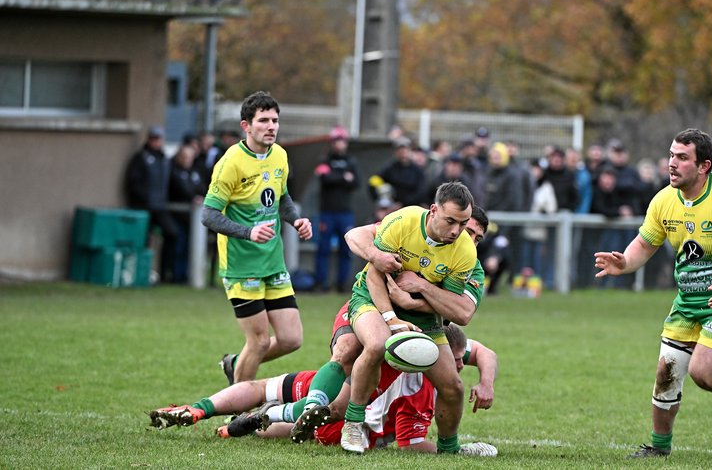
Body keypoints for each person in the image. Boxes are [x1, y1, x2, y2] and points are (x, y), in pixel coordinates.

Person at [594, 128, 712, 457]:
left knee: (704, 372)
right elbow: (645, 244)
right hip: (688, 301)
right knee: (666, 373)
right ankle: (659, 448)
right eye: (671, 155)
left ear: (703, 166)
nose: (672, 163)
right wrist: (624, 262)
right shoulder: (664, 200)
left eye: (682, 158)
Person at [147, 323, 497, 456]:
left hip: (336, 369)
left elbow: (482, 352)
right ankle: (257, 420)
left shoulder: (426, 338)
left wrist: (486, 381)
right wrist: (457, 451)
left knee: (265, 386)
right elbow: (412, 445)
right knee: (314, 413)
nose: (459, 368)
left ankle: (201, 408)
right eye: (456, 361)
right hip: (346, 421)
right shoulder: (421, 386)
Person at [339, 181, 477, 454]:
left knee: (453, 387)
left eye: (463, 224)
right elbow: (375, 274)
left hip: (423, 318)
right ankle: (353, 424)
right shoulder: (404, 220)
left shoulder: (465, 251)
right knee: (377, 344)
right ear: (434, 210)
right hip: (372, 299)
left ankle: (449, 448)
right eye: (450, 221)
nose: (456, 231)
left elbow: (450, 307)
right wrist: (391, 319)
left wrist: (418, 291)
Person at [201, 91, 313, 384]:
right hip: (242, 267)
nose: (271, 126)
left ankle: (236, 364)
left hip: (273, 263)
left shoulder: (280, 155)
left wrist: (295, 220)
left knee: (291, 339)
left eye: (275, 120)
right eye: (263, 120)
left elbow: (282, 198)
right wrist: (248, 232)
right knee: (260, 342)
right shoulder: (231, 162)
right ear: (246, 126)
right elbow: (208, 215)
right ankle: (238, 404)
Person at [124, 125, 178, 283]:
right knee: (144, 240)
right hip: (144, 207)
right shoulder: (140, 158)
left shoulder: (165, 159)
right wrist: (144, 198)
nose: (156, 142)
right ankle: (140, 274)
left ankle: (166, 273)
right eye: (153, 139)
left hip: (160, 207)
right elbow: (133, 183)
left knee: (172, 234)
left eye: (158, 139)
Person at [313, 125, 360, 293]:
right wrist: (344, 178)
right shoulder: (324, 160)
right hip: (327, 213)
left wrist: (335, 177)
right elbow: (325, 179)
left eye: (342, 141)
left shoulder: (351, 161)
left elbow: (356, 182)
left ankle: (342, 284)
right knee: (323, 249)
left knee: (346, 250)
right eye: (336, 141)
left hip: (345, 213)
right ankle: (321, 283)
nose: (339, 144)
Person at [167, 143, 204, 283]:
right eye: (184, 157)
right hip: (177, 216)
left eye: (189, 157)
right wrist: (193, 197)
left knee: (190, 247)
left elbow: (201, 188)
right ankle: (176, 276)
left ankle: (187, 275)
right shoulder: (174, 171)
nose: (186, 160)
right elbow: (182, 189)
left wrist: (198, 196)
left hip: (192, 218)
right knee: (178, 247)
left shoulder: (194, 172)